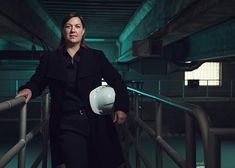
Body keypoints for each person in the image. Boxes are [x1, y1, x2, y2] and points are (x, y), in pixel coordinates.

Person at [16, 12, 129, 168]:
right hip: (66, 122)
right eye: (68, 26)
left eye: (77, 26)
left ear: (83, 31)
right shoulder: (50, 58)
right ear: (63, 31)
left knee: (101, 163)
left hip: (96, 120)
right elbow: (38, 81)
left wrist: (122, 107)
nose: (73, 30)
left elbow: (117, 81)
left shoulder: (96, 56)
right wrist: (28, 89)